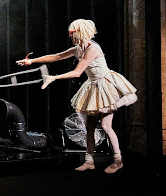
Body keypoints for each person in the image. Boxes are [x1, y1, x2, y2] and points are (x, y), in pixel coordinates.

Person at [16, 19, 137, 173]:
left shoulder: (93, 49)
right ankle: (89, 161)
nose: (70, 35)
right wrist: (31, 61)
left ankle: (118, 160)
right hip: (93, 86)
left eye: (72, 33)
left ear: (80, 33)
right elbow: (56, 57)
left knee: (106, 126)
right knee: (89, 127)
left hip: (106, 87)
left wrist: (53, 78)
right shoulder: (78, 49)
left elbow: (77, 72)